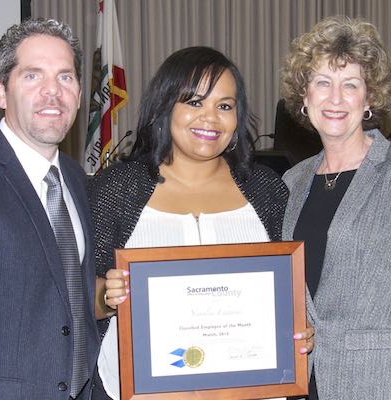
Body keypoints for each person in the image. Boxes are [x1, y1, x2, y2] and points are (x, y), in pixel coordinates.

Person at [89, 46, 314, 400]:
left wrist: (300, 329)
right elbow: (71, 297)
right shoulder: (116, 189)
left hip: (251, 390)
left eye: (224, 106)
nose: (210, 118)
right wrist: (106, 294)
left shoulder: (268, 190)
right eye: (194, 102)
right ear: (165, 107)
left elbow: (292, 291)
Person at [281, 16, 391, 400]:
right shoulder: (292, 182)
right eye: (323, 83)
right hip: (303, 380)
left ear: (369, 99)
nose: (336, 98)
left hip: (376, 381)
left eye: (351, 85)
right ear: (305, 96)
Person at [0, 19, 100, 399]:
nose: (52, 92)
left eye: (65, 78)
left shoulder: (75, 178)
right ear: (1, 92)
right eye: (33, 76)